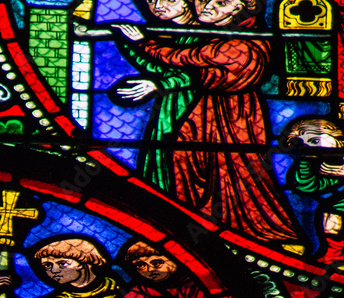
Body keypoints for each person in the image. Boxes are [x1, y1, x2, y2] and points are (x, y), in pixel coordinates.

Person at [113, 0, 304, 249]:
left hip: (233, 119)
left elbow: (183, 62)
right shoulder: (208, 35)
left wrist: (143, 43)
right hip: (202, 114)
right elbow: (180, 69)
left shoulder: (241, 42)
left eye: (221, 2)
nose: (206, 6)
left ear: (240, 8)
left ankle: (250, 237)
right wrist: (136, 46)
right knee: (188, 164)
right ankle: (194, 229)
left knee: (236, 169)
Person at [113, 0, 199, 193]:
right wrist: (126, 41)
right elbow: (159, 69)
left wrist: (158, 84)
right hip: (170, 108)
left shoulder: (201, 35)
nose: (157, 5)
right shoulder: (179, 35)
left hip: (194, 110)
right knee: (159, 160)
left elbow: (194, 75)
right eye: (151, 1)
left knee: (180, 164)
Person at [285, 117, 344, 265]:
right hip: (336, 212)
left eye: (316, 141)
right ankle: (334, 256)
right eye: (304, 144)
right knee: (331, 222)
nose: (313, 147)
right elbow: (309, 185)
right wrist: (305, 159)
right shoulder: (324, 169)